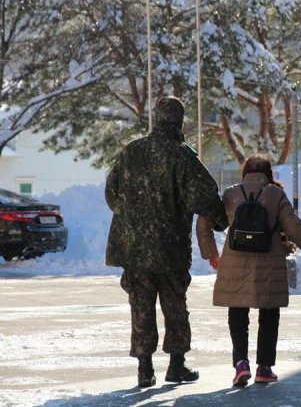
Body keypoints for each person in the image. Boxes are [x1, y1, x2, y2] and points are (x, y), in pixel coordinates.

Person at [105, 96, 228, 388]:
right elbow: (203, 196)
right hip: (169, 247)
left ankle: (144, 369)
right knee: (174, 305)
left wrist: (132, 217)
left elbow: (111, 193)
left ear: (156, 118)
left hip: (134, 248)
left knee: (141, 307)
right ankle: (176, 365)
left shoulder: (131, 151)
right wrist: (221, 220)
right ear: (179, 120)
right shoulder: (181, 154)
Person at [197, 155, 301, 387]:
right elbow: (293, 226)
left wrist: (211, 253)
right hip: (269, 263)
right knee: (269, 314)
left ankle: (241, 364)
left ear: (245, 173)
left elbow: (204, 220)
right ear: (268, 174)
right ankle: (264, 368)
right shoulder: (276, 194)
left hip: (235, 261)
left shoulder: (231, 193)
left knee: (237, 313)